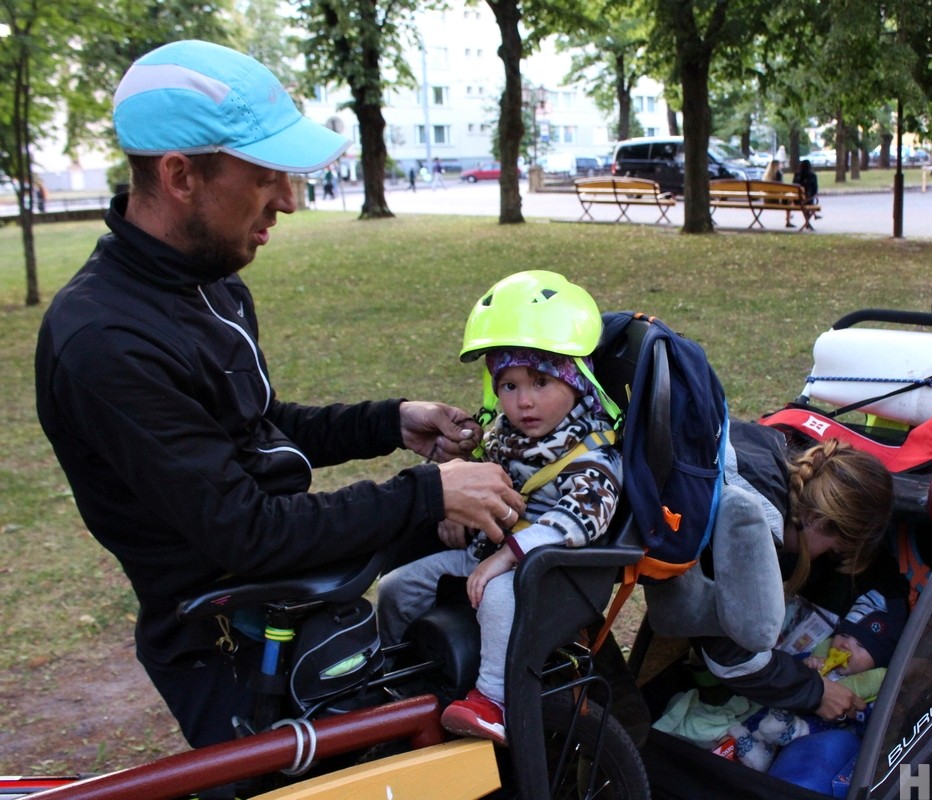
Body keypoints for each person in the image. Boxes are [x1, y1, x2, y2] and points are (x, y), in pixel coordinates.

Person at [33, 40, 525, 764]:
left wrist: (388, 421)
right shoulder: (106, 339)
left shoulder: (206, 280)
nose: (290, 201)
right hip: (231, 644)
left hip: (293, 592)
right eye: (266, 176)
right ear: (180, 176)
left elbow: (254, 430)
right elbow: (243, 530)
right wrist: (427, 494)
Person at [376, 270, 622, 745]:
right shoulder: (505, 439)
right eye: (508, 386)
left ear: (576, 382)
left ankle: (494, 702)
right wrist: (457, 517)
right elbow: (486, 492)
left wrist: (507, 554)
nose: (524, 401)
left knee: (498, 594)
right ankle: (396, 679)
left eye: (541, 382)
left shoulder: (593, 451)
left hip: (550, 572)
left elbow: (582, 518)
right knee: (397, 587)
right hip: (485, 557)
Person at [691, 433, 897, 725]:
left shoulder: (771, 447)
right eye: (831, 549)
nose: (819, 559)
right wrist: (816, 692)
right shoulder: (754, 522)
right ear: (818, 521)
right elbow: (728, 656)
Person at [730, 590, 908, 772]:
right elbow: (786, 672)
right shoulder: (818, 658)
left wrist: (857, 714)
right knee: (769, 710)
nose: (845, 645)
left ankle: (785, 734)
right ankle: (757, 745)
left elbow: (872, 726)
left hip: (818, 738)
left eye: (861, 645)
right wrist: (805, 665)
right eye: (844, 635)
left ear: (878, 662)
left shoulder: (873, 689)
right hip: (780, 717)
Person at [789, 159, 820, 229]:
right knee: (808, 202)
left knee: (803, 201)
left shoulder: (796, 175)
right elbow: (815, 190)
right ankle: (807, 222)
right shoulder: (812, 175)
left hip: (797, 200)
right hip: (807, 200)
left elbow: (793, 187)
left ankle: (807, 222)